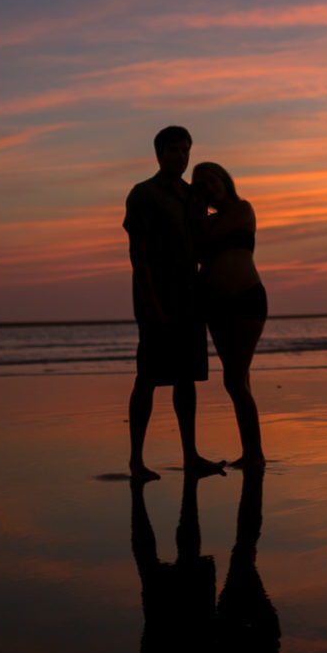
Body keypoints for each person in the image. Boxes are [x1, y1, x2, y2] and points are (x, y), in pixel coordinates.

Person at [124, 126, 225, 482]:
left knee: (186, 375)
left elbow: (204, 240)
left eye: (185, 150)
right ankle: (136, 461)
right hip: (157, 293)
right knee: (148, 376)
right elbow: (138, 253)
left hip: (190, 294)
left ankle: (190, 455)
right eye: (173, 150)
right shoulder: (144, 194)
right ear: (159, 154)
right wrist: (149, 300)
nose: (181, 156)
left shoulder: (193, 196)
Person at [191, 160, 267, 467]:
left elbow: (202, 241)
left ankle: (255, 454)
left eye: (212, 181)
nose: (209, 188)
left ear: (224, 180)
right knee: (239, 379)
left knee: (234, 380)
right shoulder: (206, 221)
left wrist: (197, 213)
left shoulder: (242, 209)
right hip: (215, 306)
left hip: (246, 299)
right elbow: (195, 250)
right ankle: (249, 452)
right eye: (201, 186)